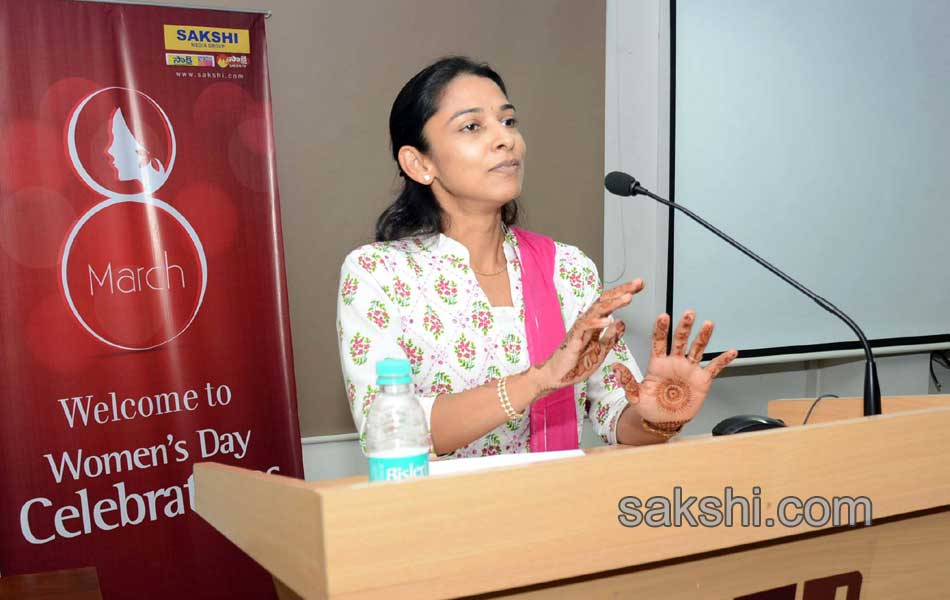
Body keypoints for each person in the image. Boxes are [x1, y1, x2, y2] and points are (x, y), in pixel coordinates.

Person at [336, 56, 737, 458]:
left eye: (508, 121)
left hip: (558, 508)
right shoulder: (378, 274)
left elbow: (616, 414)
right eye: (472, 126)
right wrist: (539, 379)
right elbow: (385, 432)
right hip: (441, 515)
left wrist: (658, 418)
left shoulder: (567, 268)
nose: (506, 139)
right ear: (419, 163)